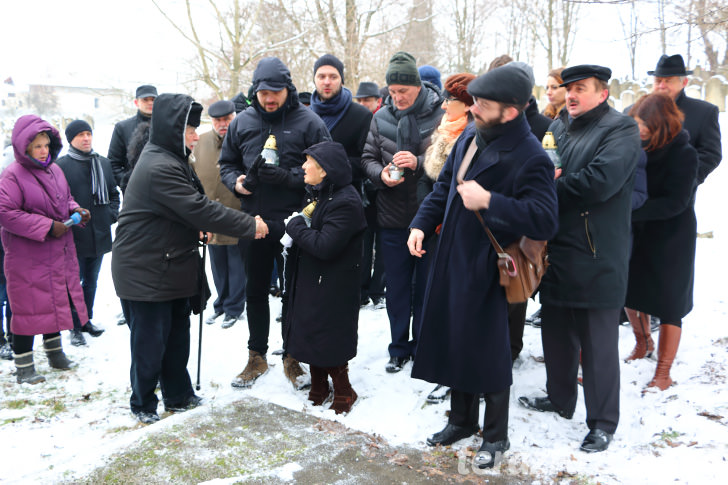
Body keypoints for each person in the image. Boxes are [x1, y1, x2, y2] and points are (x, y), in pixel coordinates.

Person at [408, 64, 559, 469]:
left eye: (483, 104)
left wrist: (491, 201)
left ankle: (495, 435)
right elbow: (444, 187)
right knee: (456, 340)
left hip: (492, 268)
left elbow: (546, 220)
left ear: (511, 111)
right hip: (452, 259)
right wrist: (421, 224)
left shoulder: (531, 156)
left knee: (489, 354)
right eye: (474, 100)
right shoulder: (472, 135)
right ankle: (460, 420)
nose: (473, 108)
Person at [112, 93, 268, 424]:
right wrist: (248, 224)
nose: (197, 136)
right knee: (150, 343)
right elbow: (198, 207)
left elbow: (183, 211)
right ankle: (142, 403)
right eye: (190, 130)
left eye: (197, 129)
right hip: (145, 270)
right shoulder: (159, 165)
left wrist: (194, 228)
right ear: (171, 130)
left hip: (169, 263)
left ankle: (178, 395)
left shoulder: (174, 158)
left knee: (176, 337)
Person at [518, 65, 641, 453]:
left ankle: (602, 422)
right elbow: (539, 170)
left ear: (602, 93)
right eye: (568, 89)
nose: (571, 95)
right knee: (555, 332)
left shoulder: (621, 129)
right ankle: (559, 397)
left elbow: (601, 182)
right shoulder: (556, 128)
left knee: (598, 343)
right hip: (555, 248)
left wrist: (552, 185)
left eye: (581, 89)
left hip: (596, 250)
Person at [219, 57, 331, 390]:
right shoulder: (242, 123)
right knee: (254, 289)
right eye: (264, 91)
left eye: (276, 91)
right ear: (255, 91)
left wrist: (290, 176)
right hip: (253, 220)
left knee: (294, 293)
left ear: (288, 89)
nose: (270, 98)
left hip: (296, 221)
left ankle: (293, 357)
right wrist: (236, 183)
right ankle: (256, 355)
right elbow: (226, 163)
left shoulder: (308, 121)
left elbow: (327, 171)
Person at [360, 51, 443, 373]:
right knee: (396, 288)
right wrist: (379, 174)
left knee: (425, 288)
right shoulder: (380, 117)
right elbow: (367, 157)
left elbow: (449, 160)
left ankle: (423, 344)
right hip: (392, 219)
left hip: (429, 218)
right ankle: (398, 346)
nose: (397, 98)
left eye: (403, 92)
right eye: (393, 92)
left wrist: (420, 164)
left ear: (418, 87)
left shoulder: (439, 116)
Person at [0, 115, 91, 384]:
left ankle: (55, 354)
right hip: (27, 256)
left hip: (57, 253)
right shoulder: (12, 175)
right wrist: (47, 226)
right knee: (28, 310)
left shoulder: (55, 170)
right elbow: (6, 213)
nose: (43, 151)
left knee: (53, 303)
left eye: (46, 145)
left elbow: (66, 198)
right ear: (24, 147)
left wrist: (76, 210)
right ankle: (24, 367)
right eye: (37, 146)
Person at [284, 141, 367, 414]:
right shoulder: (317, 193)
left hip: (335, 283)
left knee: (329, 334)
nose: (303, 166)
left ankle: (344, 389)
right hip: (313, 277)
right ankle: (318, 385)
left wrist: (294, 226)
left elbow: (324, 245)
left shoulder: (346, 202)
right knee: (310, 329)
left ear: (325, 170)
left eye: (309, 162)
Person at [624, 93, 698, 390]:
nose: (639, 128)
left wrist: (631, 211)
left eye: (645, 123)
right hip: (638, 231)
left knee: (669, 302)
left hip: (672, 235)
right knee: (631, 292)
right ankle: (643, 343)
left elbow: (677, 201)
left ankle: (663, 372)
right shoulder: (634, 147)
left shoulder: (684, 153)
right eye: (637, 121)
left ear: (662, 124)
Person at [308, 54, 376, 306]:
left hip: (347, 199)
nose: (327, 81)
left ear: (341, 79)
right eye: (321, 76)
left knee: (348, 259)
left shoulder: (359, 115)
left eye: (333, 76)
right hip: (310, 198)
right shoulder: (306, 115)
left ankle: (352, 298)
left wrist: (330, 165)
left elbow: (367, 160)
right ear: (314, 79)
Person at [56, 120, 119, 346]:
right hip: (74, 235)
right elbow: (57, 200)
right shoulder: (61, 166)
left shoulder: (102, 163)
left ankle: (86, 320)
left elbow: (113, 193)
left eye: (89, 134)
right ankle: (73, 326)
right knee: (73, 282)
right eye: (81, 135)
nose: (86, 138)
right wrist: (68, 222)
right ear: (70, 139)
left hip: (100, 232)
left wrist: (111, 214)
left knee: (91, 282)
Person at [192, 100, 247, 329]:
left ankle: (235, 307)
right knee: (216, 264)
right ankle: (221, 304)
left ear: (234, 117)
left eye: (227, 119)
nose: (223, 124)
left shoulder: (244, 140)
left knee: (237, 263)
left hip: (236, 213)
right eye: (218, 120)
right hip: (209, 216)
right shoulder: (200, 141)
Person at [647, 54, 721, 185]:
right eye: (658, 81)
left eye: (668, 81)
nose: (662, 86)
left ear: (684, 82)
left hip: (679, 196)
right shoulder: (634, 112)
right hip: (637, 197)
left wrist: (685, 180)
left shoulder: (704, 112)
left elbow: (710, 154)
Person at [108, 84, 157, 193]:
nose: (150, 103)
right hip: (133, 192)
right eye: (145, 100)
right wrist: (126, 182)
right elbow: (113, 162)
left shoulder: (166, 126)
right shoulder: (123, 127)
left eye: (153, 99)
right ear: (136, 102)